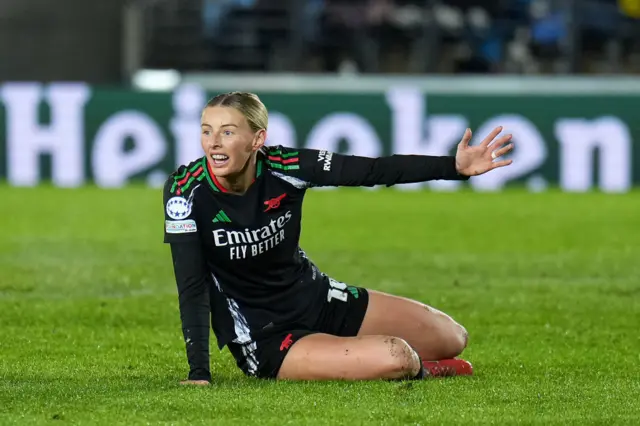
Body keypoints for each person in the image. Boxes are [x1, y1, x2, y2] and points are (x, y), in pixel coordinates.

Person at [163, 91, 514, 383]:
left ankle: (348, 352)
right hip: (267, 336)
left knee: (453, 337)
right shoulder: (184, 191)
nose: (213, 143)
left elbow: (372, 170)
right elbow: (192, 285)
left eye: (227, 132)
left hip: (317, 297)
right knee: (399, 356)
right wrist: (199, 372)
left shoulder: (286, 167)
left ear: (257, 139)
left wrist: (453, 167)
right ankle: (417, 370)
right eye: (206, 131)